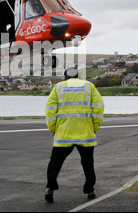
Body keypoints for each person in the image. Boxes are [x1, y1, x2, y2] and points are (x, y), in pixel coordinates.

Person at [44, 66, 104, 203]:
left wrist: (53, 128)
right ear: (78, 75)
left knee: (55, 163)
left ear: (65, 76)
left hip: (64, 134)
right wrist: (95, 126)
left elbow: (50, 110)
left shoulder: (58, 87)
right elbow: (99, 108)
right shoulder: (89, 86)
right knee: (88, 163)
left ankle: (50, 189)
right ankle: (90, 190)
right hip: (85, 133)